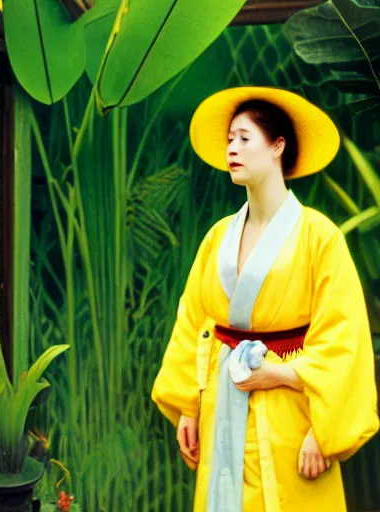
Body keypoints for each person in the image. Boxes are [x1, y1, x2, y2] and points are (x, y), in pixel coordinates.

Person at [151, 86, 379, 512]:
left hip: (293, 415)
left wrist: (321, 430)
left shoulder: (319, 236)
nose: (231, 148)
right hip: (223, 406)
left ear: (278, 146)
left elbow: (344, 339)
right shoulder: (218, 236)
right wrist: (188, 405)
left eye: (243, 138)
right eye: (229, 140)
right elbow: (194, 323)